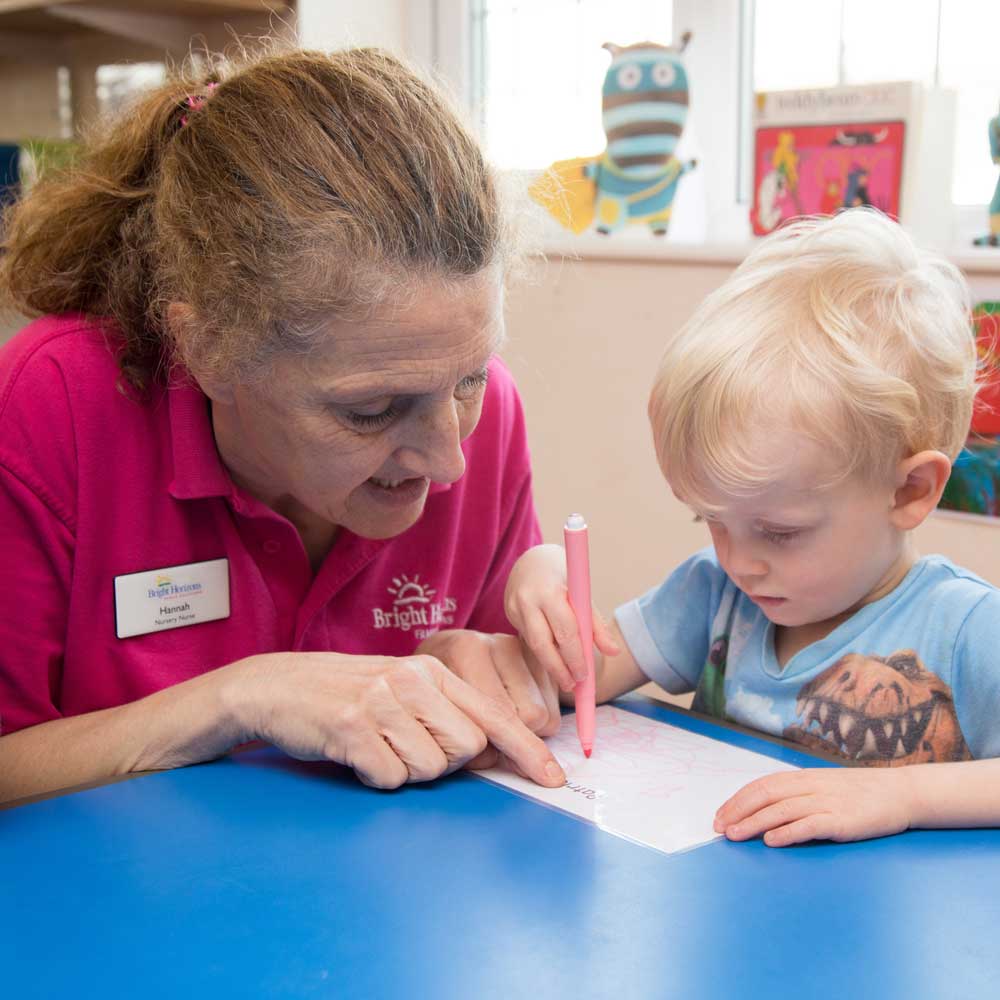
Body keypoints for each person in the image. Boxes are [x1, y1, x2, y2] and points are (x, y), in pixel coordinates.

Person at [0, 45, 568, 803]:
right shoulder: (51, 406)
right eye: (370, 409)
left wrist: (494, 662)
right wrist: (238, 698)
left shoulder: (482, 416)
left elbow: (503, 675)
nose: (447, 463)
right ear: (207, 350)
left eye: (468, 378)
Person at [503, 208, 1000, 847]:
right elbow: (566, 689)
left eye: (780, 530)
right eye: (712, 521)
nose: (740, 561)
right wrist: (538, 578)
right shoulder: (710, 596)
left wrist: (899, 794)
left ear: (909, 491)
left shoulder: (966, 630)